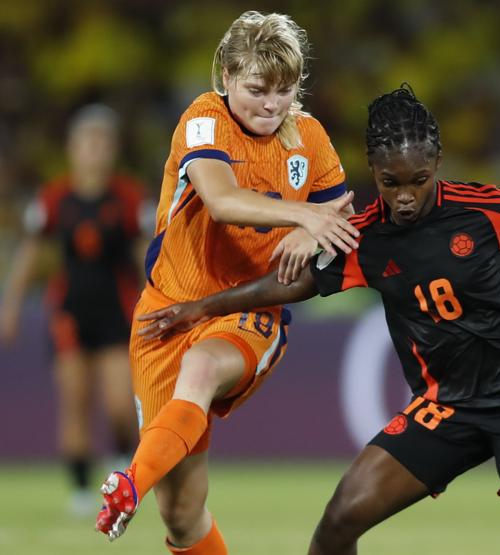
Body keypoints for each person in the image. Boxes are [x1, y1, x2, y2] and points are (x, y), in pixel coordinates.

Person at [135, 85, 500, 555]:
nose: (404, 197)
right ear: (373, 171)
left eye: (417, 180)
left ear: (437, 165)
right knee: (338, 524)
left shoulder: (486, 208)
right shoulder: (365, 238)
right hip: (444, 406)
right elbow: (297, 282)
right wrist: (202, 307)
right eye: (390, 183)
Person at [94, 11, 360, 552]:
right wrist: (303, 217)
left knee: (204, 365)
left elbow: (343, 215)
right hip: (165, 315)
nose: (271, 104)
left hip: (248, 310)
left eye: (285, 91)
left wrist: (314, 233)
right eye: (258, 89)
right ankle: (145, 488)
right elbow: (220, 200)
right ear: (226, 77)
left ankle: (128, 485)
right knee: (183, 514)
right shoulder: (202, 119)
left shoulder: (308, 137)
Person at [0, 104, 144, 517]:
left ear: (113, 149)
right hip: (69, 314)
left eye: (103, 142)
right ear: (73, 148)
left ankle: (121, 466)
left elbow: (142, 258)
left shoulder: (129, 198)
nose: (95, 150)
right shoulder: (54, 199)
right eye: (88, 142)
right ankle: (81, 490)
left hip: (118, 315)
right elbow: (30, 253)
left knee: (120, 405)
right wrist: (10, 305)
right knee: (75, 403)